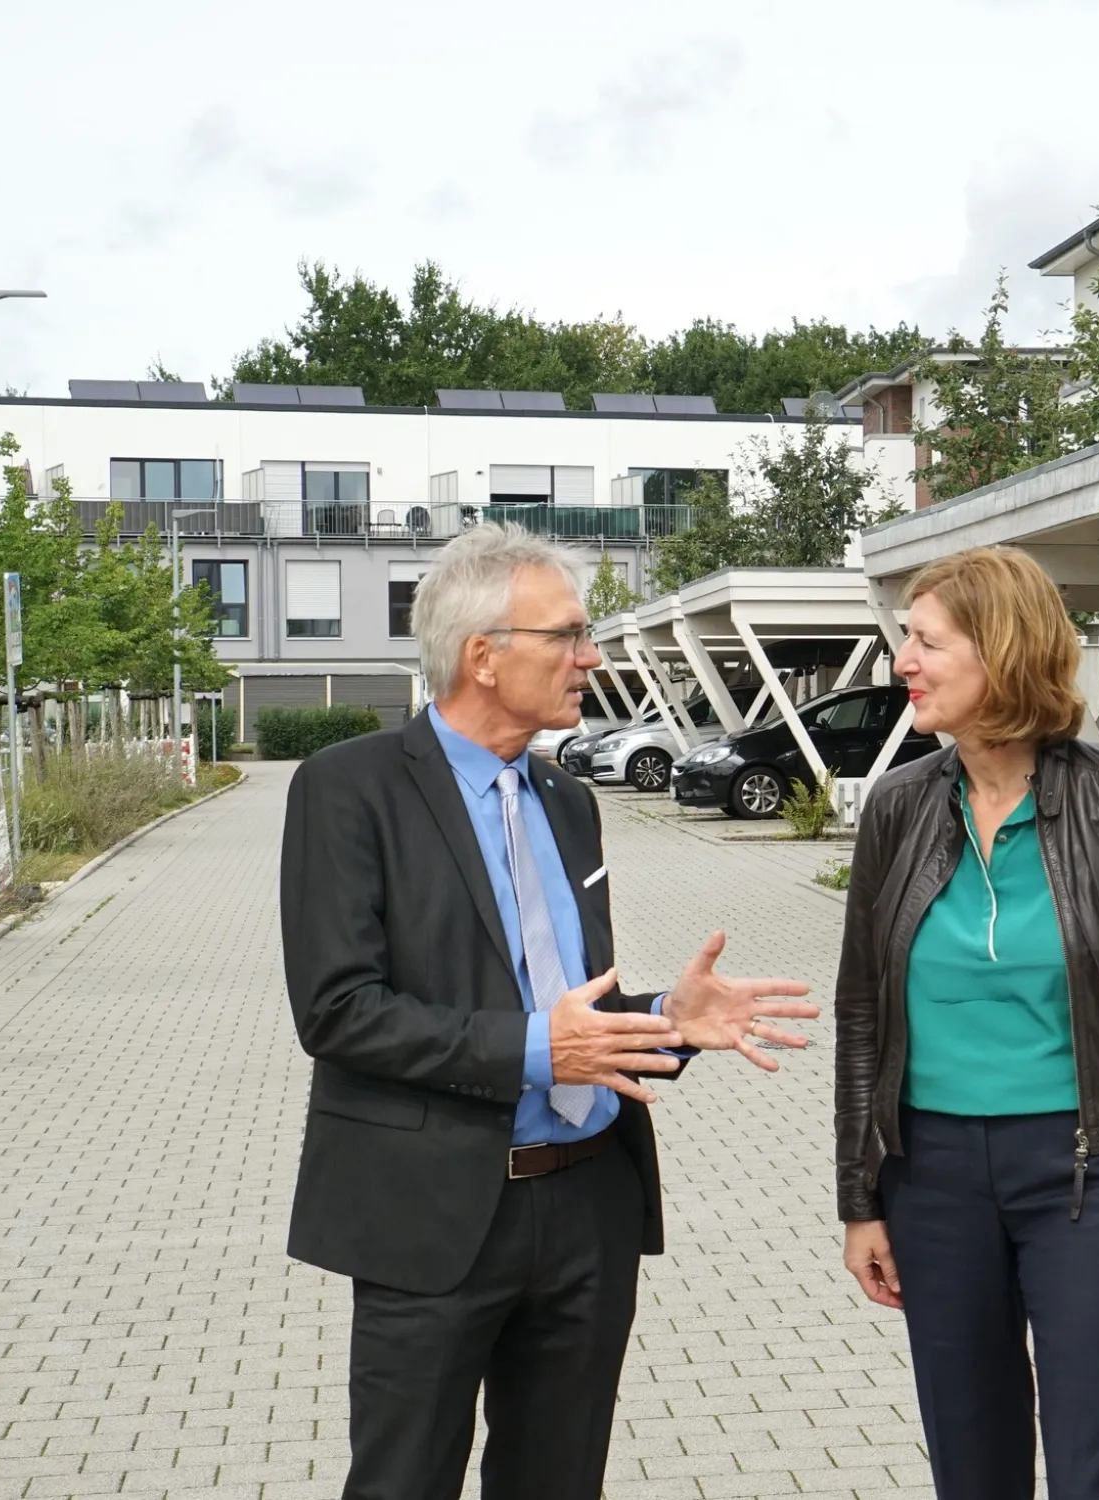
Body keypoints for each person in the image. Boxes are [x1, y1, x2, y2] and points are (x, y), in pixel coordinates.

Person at [280, 524, 818, 1500]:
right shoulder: (347, 790)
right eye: (567, 636)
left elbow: (569, 1008)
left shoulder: (569, 799)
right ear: (483, 656)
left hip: (587, 1210)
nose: (592, 657)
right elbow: (339, 1011)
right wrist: (537, 1048)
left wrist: (666, 1020)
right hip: (432, 1216)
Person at [834, 547, 1099, 1500]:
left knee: (1095, 1465)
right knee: (972, 1460)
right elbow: (862, 1011)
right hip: (931, 1174)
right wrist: (860, 1200)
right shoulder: (899, 806)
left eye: (926, 640)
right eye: (905, 636)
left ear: (1004, 651)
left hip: (1088, 1168)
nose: (902, 659)